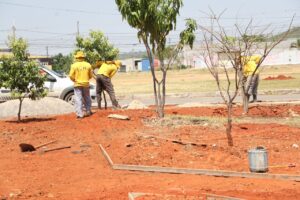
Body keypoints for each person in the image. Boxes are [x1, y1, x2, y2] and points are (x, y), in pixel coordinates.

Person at [69, 51, 93, 119]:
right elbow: (90, 75)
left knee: (78, 99)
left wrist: (74, 80)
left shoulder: (74, 65)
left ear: (76, 57)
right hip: (86, 84)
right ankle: (88, 111)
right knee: (87, 98)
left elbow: (70, 75)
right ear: (83, 57)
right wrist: (86, 78)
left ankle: (80, 115)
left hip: (77, 84)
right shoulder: (88, 65)